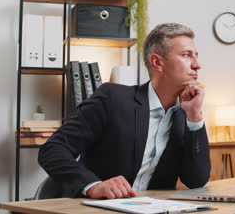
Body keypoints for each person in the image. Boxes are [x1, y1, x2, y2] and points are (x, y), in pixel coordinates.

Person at [38, 23, 210, 199]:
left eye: (196, 56)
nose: (197, 65)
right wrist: (93, 186)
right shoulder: (112, 98)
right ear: (157, 62)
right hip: (93, 208)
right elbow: (52, 150)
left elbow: (196, 180)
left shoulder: (184, 115)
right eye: (186, 55)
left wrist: (195, 117)